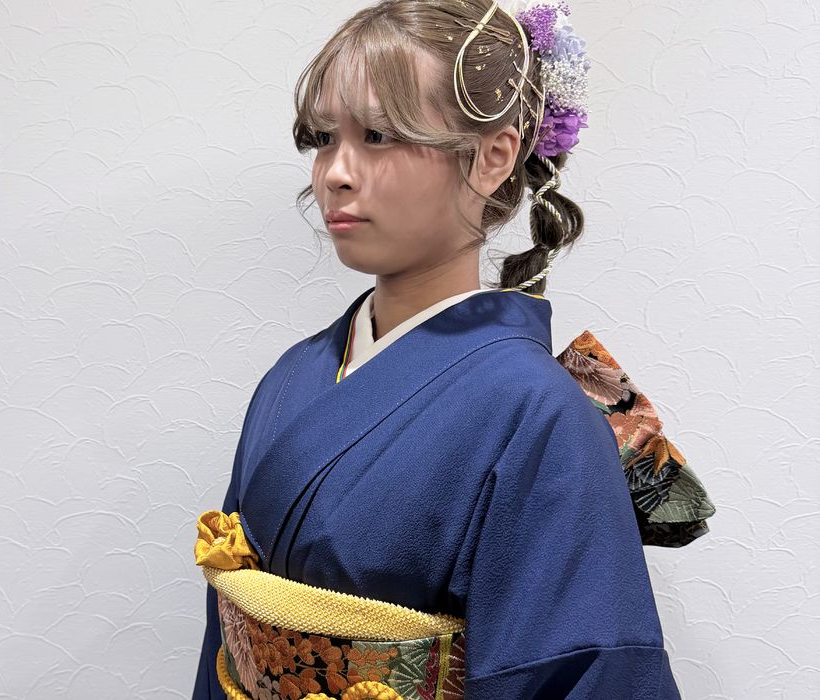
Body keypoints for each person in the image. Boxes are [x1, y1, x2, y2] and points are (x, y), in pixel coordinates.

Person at [191, 1, 715, 698]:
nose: (335, 172)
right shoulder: (291, 377)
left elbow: (583, 671)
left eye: (378, 135)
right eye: (322, 138)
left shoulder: (536, 411)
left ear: (493, 156)